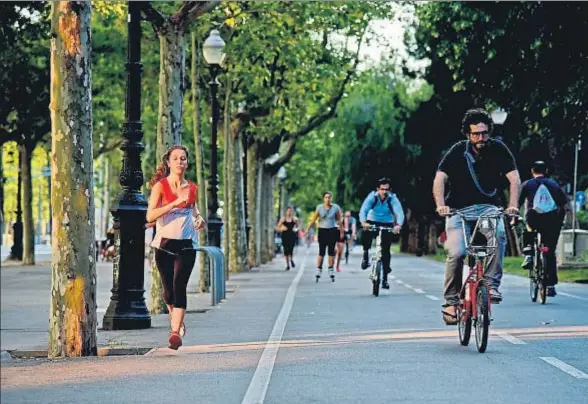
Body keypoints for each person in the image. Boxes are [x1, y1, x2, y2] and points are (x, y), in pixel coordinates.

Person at [433, 108, 521, 325]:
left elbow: (515, 179)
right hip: (458, 210)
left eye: (484, 133)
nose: (480, 138)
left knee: (498, 235)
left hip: (488, 208)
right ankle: (451, 301)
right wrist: (441, 205)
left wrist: (512, 206)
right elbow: (439, 179)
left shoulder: (499, 149)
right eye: (475, 134)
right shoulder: (457, 151)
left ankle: (491, 285)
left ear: (489, 131)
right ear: (467, 134)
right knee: (457, 252)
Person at [146, 145, 206, 350]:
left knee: (179, 286)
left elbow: (195, 212)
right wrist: (172, 204)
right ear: (168, 162)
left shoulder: (192, 188)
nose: (180, 162)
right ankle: (178, 322)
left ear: (186, 163)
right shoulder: (160, 187)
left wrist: (199, 220)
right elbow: (150, 216)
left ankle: (174, 332)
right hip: (164, 245)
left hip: (186, 244)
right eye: (176, 158)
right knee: (168, 292)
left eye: (183, 159)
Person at [519, 161, 568, 297]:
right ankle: (550, 285)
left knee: (529, 225)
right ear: (546, 170)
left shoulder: (527, 184)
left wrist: (514, 218)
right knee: (549, 251)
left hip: (534, 219)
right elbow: (564, 205)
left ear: (532, 171)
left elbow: (517, 203)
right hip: (552, 222)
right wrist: (560, 221)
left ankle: (528, 251)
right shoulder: (554, 184)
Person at [359, 178, 404, 289]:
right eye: (382, 189)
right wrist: (363, 222)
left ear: (390, 190)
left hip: (387, 223)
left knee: (386, 250)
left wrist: (398, 225)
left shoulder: (392, 199)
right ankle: (365, 255)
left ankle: (384, 279)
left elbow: (399, 212)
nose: (384, 192)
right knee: (365, 235)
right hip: (372, 221)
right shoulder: (372, 197)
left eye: (387, 189)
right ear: (378, 189)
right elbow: (363, 210)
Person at [303, 192, 344, 281]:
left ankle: (330, 269)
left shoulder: (335, 207)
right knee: (321, 251)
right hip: (322, 230)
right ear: (323, 199)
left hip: (332, 230)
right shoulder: (319, 207)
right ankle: (319, 269)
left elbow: (339, 220)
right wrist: (307, 229)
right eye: (326, 197)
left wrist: (341, 232)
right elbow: (314, 219)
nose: (328, 199)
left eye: (329, 197)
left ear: (331, 198)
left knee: (331, 251)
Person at [276, 206, 300, 271]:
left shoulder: (294, 219)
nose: (289, 212)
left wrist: (296, 229)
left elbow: (298, 227)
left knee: (291, 249)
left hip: (292, 236)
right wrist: (282, 228)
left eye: (290, 211)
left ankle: (291, 259)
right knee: (286, 251)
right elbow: (277, 228)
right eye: (288, 211)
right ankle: (287, 265)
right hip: (285, 236)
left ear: (292, 212)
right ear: (286, 212)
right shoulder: (283, 219)